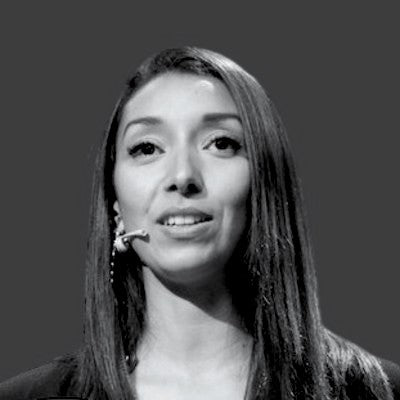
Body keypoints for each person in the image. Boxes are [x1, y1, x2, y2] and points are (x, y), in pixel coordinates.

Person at [0, 47, 399, 400]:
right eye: (147, 148)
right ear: (115, 203)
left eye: (221, 143)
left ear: (264, 183)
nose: (182, 175)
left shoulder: (375, 392)